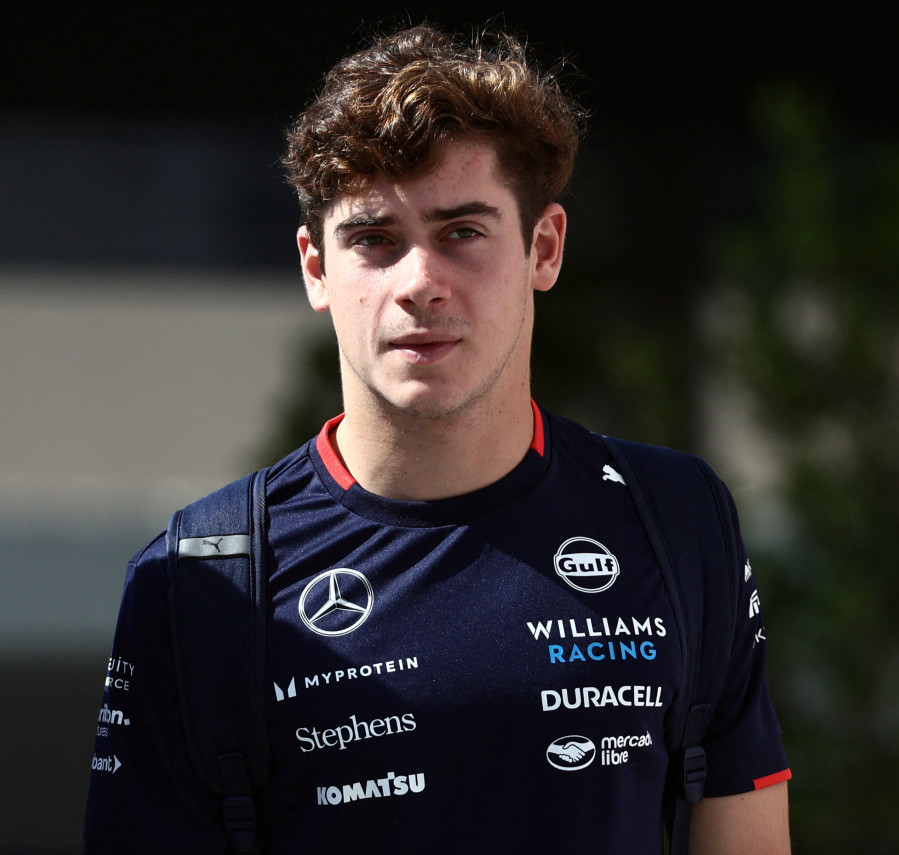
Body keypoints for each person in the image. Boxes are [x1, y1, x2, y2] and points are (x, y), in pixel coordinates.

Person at [83, 22, 790, 854]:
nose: (420, 282)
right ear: (316, 268)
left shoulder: (677, 519)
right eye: (376, 240)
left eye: (462, 232)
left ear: (544, 247)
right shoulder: (198, 581)